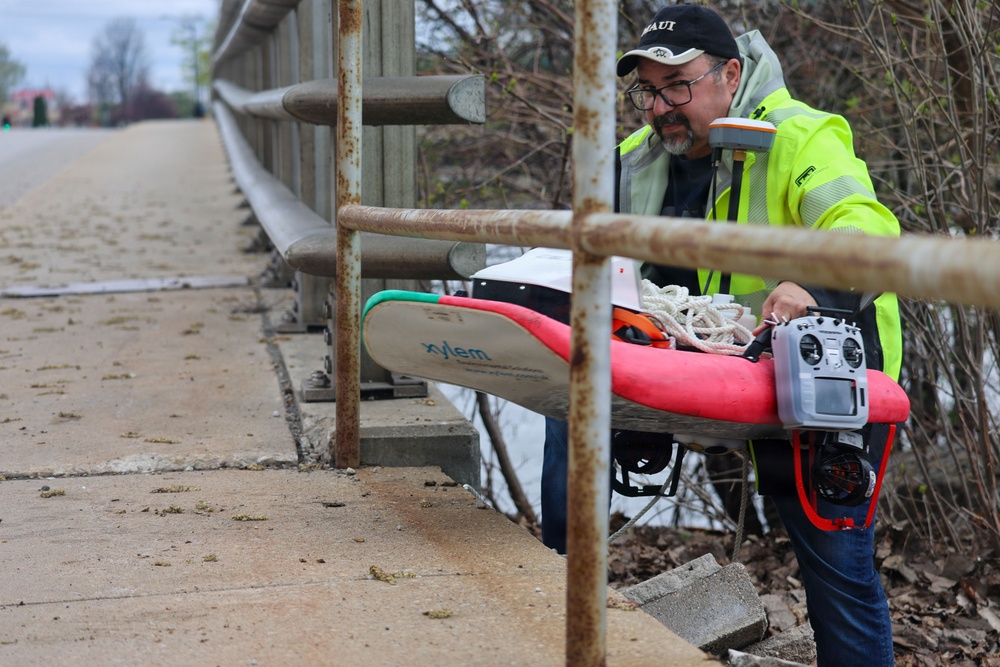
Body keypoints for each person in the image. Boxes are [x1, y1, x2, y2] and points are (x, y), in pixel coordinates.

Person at [540, 4, 902, 666]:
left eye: (677, 85)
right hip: (709, 371)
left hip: (822, 375)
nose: (658, 107)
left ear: (730, 75)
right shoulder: (632, 160)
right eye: (647, 90)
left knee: (837, 571)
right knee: (568, 398)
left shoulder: (802, 137)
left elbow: (867, 227)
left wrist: (816, 289)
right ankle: (555, 594)